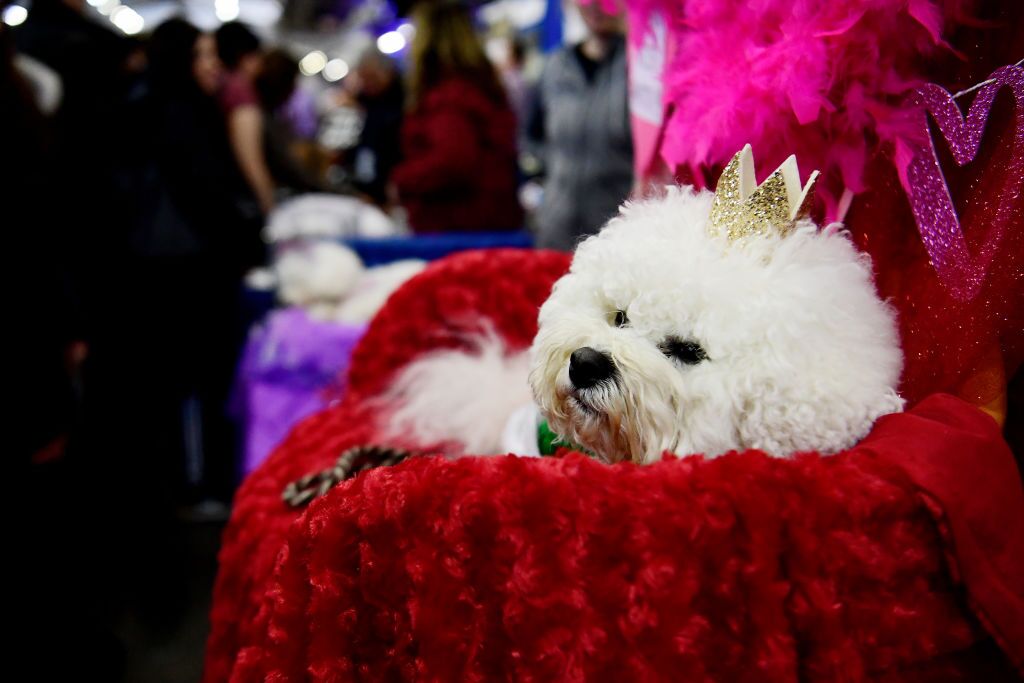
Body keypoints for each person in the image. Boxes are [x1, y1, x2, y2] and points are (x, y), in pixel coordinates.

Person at [390, 0, 522, 232]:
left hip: (457, 228)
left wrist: (401, 180)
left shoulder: (448, 95)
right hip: (488, 223)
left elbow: (452, 161)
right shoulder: (480, 86)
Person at [527, 0, 633, 250]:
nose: (596, 5)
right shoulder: (555, 66)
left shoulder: (642, 65)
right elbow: (532, 136)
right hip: (556, 232)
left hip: (617, 235)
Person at [215, 21, 277, 214]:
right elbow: (251, 160)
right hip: (239, 198)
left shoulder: (221, 84)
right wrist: (269, 204)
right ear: (246, 57)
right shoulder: (240, 90)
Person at [346, 47, 405, 206]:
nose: (368, 84)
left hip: (392, 186)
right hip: (368, 183)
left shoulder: (403, 103)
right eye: (363, 78)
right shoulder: (366, 102)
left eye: (372, 77)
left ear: (388, 73)